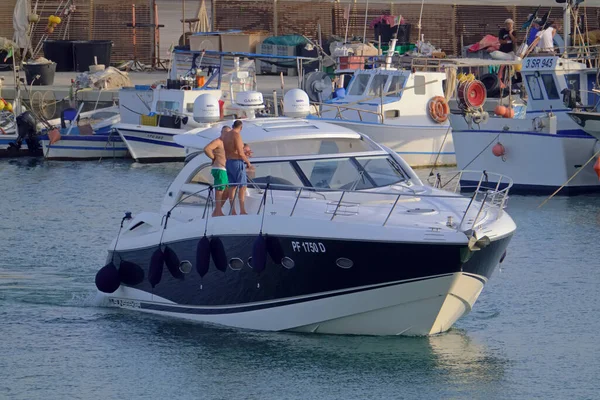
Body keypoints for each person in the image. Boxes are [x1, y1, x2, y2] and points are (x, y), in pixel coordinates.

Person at [223, 120, 252, 215]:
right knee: (242, 186)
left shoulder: (226, 135)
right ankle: (242, 210)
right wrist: (248, 162)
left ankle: (233, 210)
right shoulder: (237, 135)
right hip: (236, 162)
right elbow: (240, 152)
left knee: (232, 186)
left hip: (228, 162)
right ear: (241, 127)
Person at [203, 126, 230, 216]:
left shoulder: (227, 143)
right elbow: (207, 149)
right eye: (225, 132)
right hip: (219, 168)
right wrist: (214, 158)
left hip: (225, 169)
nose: (226, 134)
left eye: (228, 132)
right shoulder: (218, 141)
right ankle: (218, 211)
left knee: (227, 191)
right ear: (221, 132)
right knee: (220, 189)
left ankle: (217, 211)